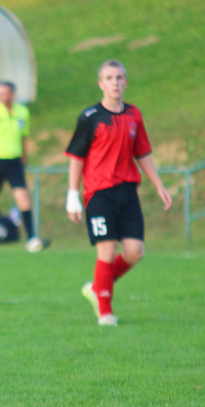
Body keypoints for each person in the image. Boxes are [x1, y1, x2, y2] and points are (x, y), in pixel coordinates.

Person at [65, 60, 171, 326]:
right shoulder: (90, 117)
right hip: (99, 193)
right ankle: (105, 312)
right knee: (107, 251)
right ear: (101, 83)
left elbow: (142, 152)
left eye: (120, 77)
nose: (115, 82)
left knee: (135, 252)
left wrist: (159, 184)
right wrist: (72, 194)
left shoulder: (134, 114)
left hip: (127, 192)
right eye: (110, 78)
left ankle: (97, 287)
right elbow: (76, 157)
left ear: (126, 82)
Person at [0, 81, 45, 252]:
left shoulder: (23, 112)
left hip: (14, 162)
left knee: (23, 198)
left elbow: (23, 138)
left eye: (5, 93)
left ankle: (31, 238)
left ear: (12, 94)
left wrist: (24, 159)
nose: (2, 97)